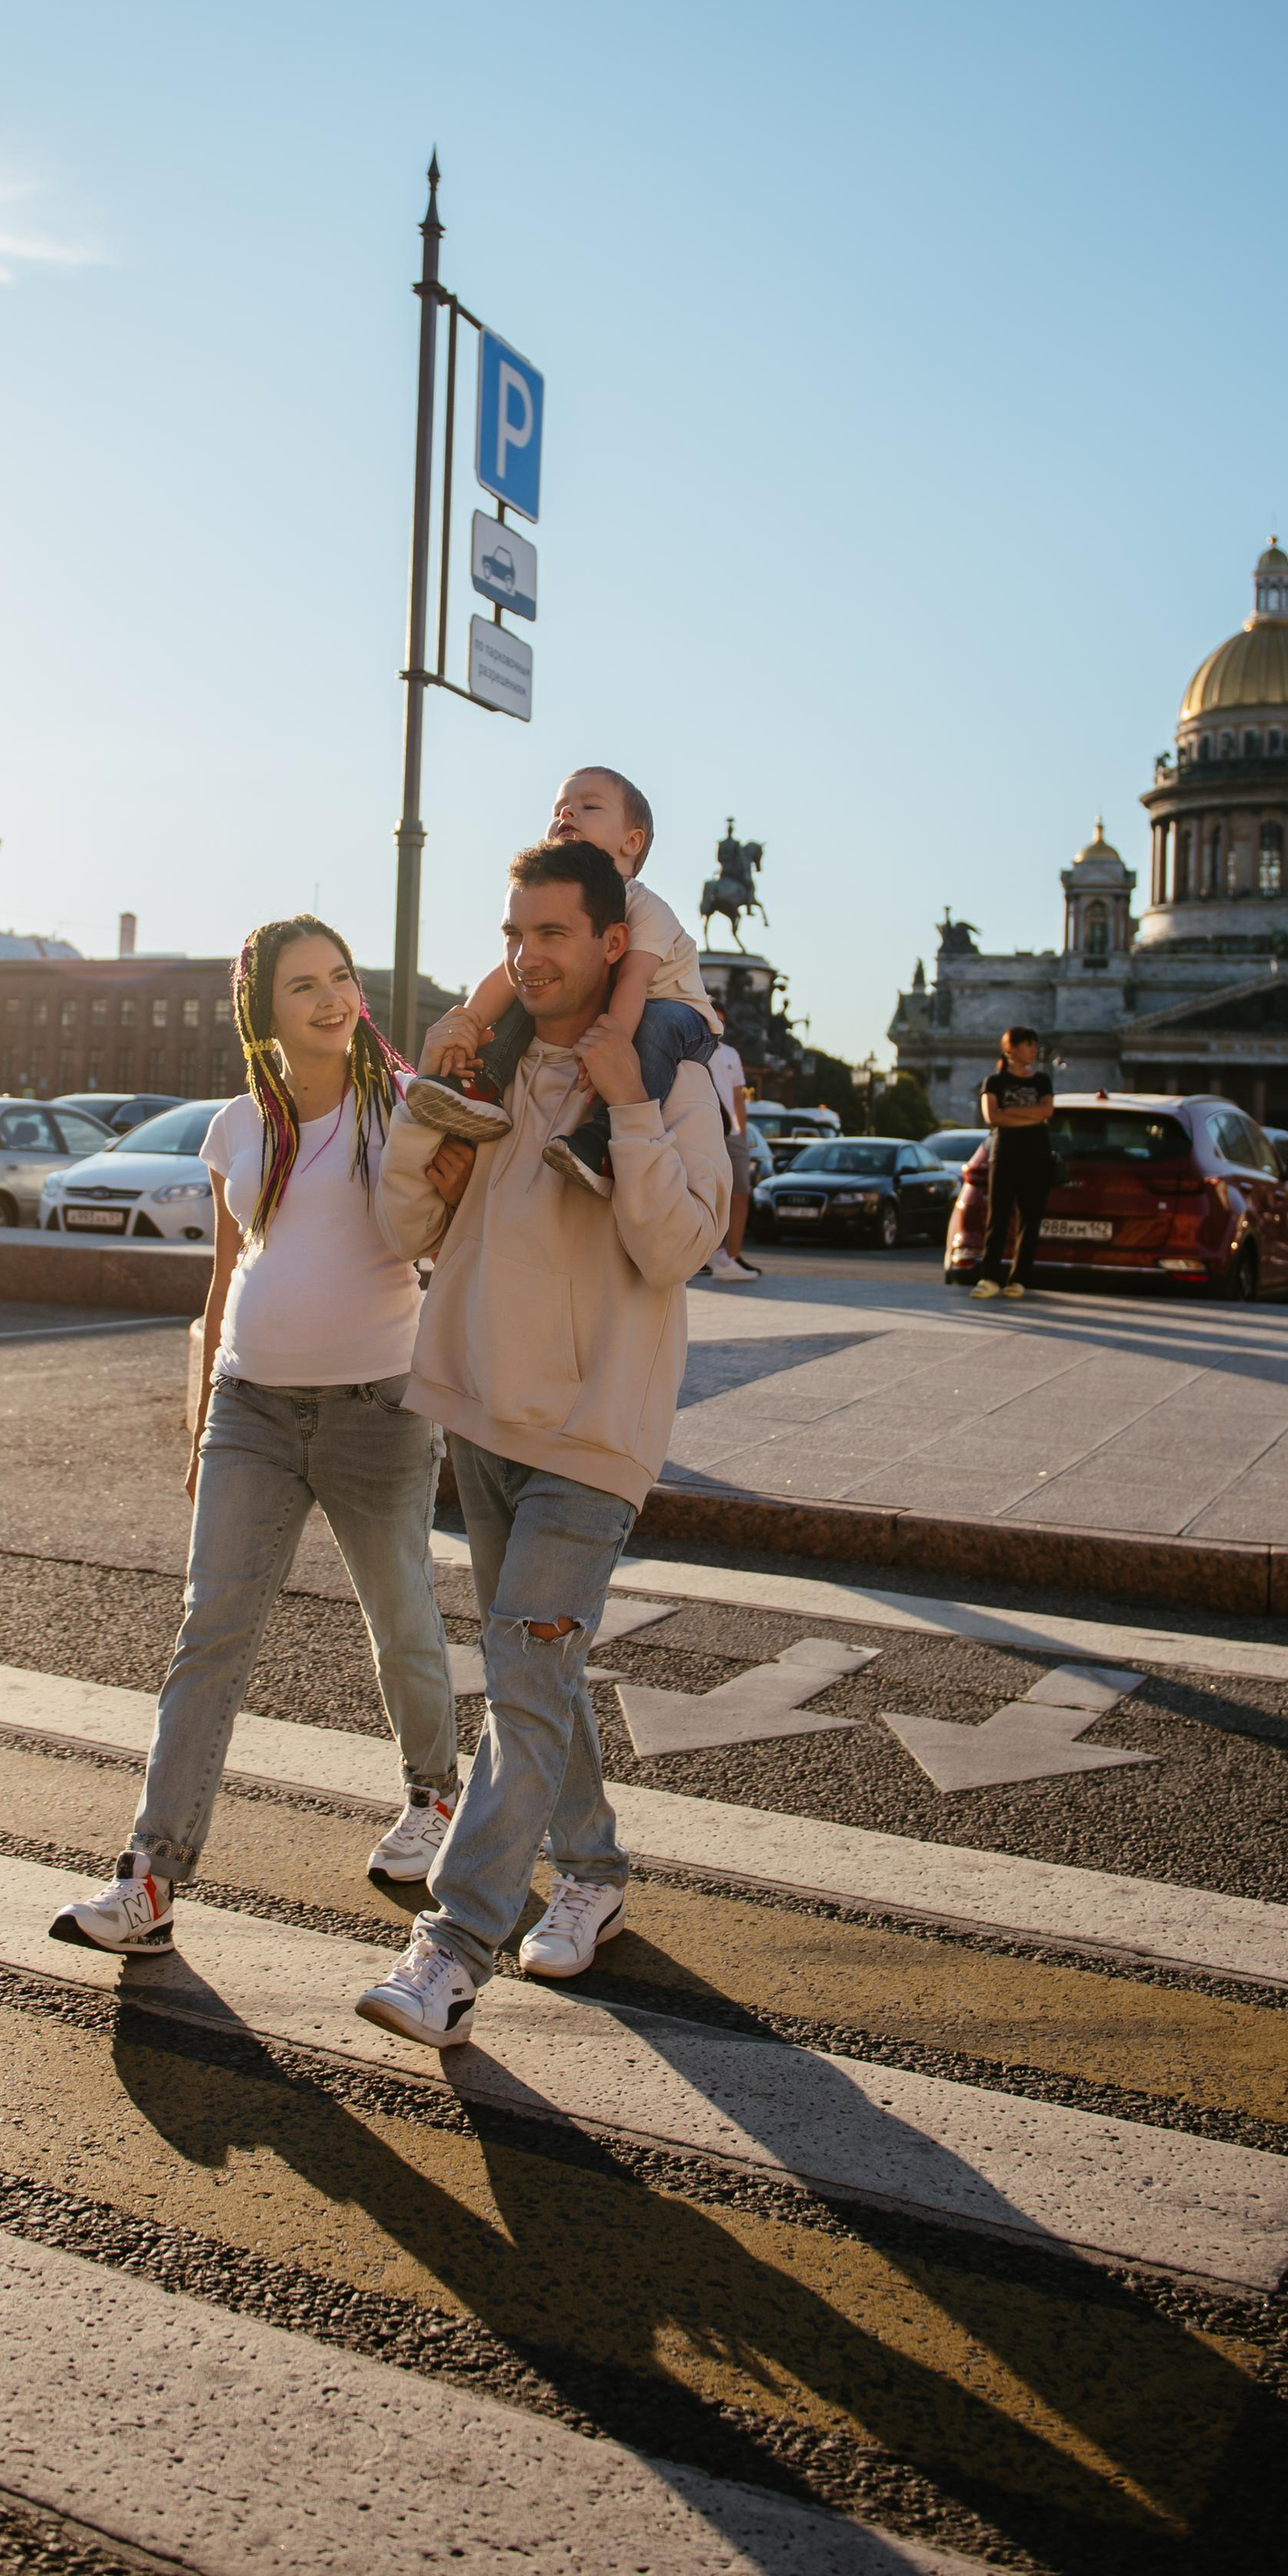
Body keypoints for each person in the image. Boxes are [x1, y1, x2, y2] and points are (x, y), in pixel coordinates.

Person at [353, 839, 729, 2049]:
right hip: (482, 1413)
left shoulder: (674, 1070)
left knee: (519, 1680)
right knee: (535, 1676)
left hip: (592, 1431)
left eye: (553, 933)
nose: (528, 954)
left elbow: (677, 1250)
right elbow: (408, 1221)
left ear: (613, 942)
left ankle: (451, 1949)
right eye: (516, 933)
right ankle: (596, 1865)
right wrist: (425, 1121)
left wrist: (625, 1097)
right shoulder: (497, 1066)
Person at [47, 915, 459, 1958]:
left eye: (341, 978)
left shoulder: (400, 1106)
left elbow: (447, 1243)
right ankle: (150, 1877)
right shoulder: (236, 1125)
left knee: (401, 1614)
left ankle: (434, 1799)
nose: (330, 999)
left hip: (378, 1408)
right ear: (260, 1009)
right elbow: (224, 1274)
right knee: (210, 1636)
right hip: (252, 1408)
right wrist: (199, 1426)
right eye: (303, 986)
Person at [403, 766, 721, 1198]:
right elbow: (508, 973)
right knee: (529, 985)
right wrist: (469, 1025)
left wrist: (608, 1052)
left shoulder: (647, 908)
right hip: (618, 1007)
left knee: (656, 1023)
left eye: (589, 806)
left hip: (676, 1014)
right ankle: (483, 1084)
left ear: (631, 842)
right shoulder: (548, 903)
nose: (568, 811)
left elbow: (632, 983)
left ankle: (603, 1139)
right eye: (559, 809)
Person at [971, 1025, 1056, 1302]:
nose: (1034, 1050)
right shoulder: (994, 1082)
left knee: (1029, 1219)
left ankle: (1019, 1279)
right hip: (1005, 1156)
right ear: (1011, 1049)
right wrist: (1030, 1116)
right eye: (1029, 1045)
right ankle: (989, 1277)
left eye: (1035, 1045)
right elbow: (992, 1118)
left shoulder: (1042, 1080)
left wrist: (1011, 1113)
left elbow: (1047, 1112)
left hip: (1037, 1157)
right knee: (998, 1216)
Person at [704, 1034, 761, 1280]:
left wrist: (743, 1132)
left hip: (733, 1133)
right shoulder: (693, 1046)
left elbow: (738, 1096)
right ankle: (711, 1254)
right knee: (709, 1192)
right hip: (706, 1128)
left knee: (740, 1192)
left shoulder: (730, 1054)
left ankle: (732, 1257)